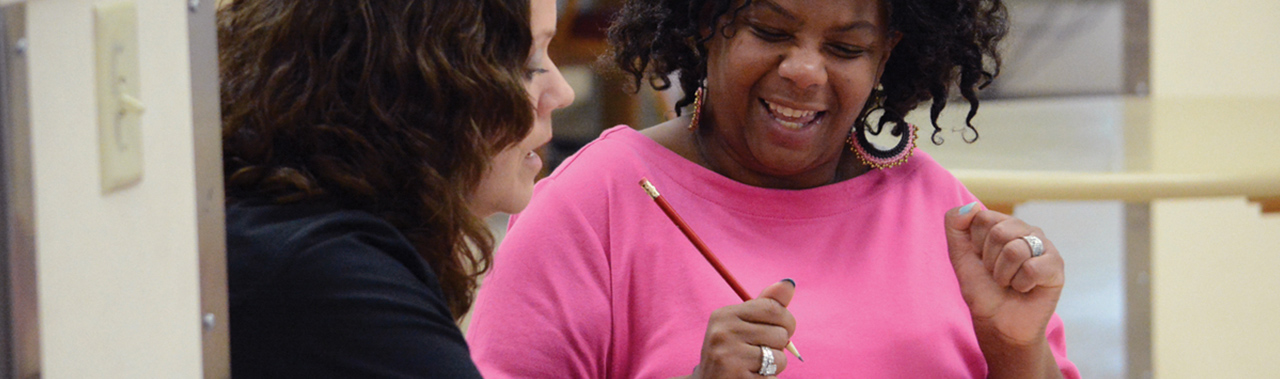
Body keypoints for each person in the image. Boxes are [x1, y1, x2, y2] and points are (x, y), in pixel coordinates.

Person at [466, 0, 1080, 377]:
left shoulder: (940, 211)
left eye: (846, 48)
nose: (805, 71)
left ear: (886, 56)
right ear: (709, 22)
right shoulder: (596, 202)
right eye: (769, 30)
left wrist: (1015, 350)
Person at [218, 0, 573, 376]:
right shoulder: (331, 285)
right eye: (529, 64)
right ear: (420, 81)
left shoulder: (289, 228)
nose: (562, 93)